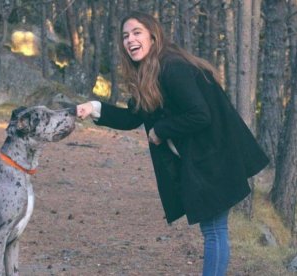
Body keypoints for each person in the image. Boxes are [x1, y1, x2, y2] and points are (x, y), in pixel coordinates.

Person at [76, 11, 269, 276]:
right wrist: (94, 108)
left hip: (213, 157)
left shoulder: (172, 67)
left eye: (136, 33)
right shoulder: (153, 70)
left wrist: (160, 130)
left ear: (153, 36)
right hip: (206, 157)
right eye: (125, 36)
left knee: (214, 231)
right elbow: (134, 117)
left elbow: (200, 114)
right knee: (214, 230)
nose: (129, 39)